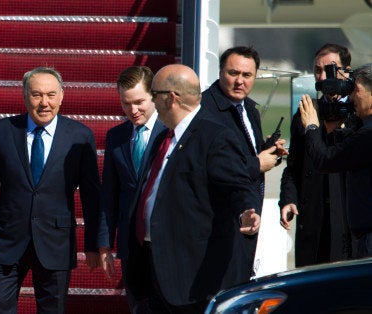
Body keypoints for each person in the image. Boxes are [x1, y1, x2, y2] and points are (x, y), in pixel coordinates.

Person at [122, 64, 260, 312]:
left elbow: (238, 186)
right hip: (154, 267)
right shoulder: (165, 138)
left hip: (191, 276)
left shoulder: (215, 136)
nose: (152, 102)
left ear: (171, 98)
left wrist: (246, 211)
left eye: (154, 95)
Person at [0, 67, 102, 313]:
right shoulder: (3, 131)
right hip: (8, 239)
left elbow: (92, 196)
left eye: (51, 95)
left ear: (62, 96)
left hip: (56, 241)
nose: (44, 103)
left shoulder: (80, 136)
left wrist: (93, 244)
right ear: (24, 95)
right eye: (37, 95)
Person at [201, 46, 287, 275]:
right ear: (220, 72)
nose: (240, 81)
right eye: (233, 73)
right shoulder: (205, 111)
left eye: (247, 75)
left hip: (246, 215)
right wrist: (257, 164)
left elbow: (241, 154)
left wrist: (267, 151)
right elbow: (211, 166)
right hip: (216, 223)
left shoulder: (249, 109)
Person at [96, 66, 165, 313]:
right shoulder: (116, 136)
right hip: (129, 242)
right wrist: (105, 244)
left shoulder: (171, 132)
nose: (133, 110)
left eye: (139, 102)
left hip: (164, 240)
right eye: (126, 104)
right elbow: (109, 195)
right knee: (137, 306)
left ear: (154, 97)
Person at [279, 44, 354, 266]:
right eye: (317, 71)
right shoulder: (307, 112)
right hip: (314, 219)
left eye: (329, 70)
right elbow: (293, 166)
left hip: (348, 219)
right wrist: (288, 199)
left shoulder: (358, 111)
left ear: (345, 71)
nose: (322, 77)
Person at [299, 63, 372, 258]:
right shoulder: (364, 130)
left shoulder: (368, 134)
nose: (353, 97)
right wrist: (334, 130)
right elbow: (351, 153)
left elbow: (325, 161)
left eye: (356, 90)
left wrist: (312, 127)